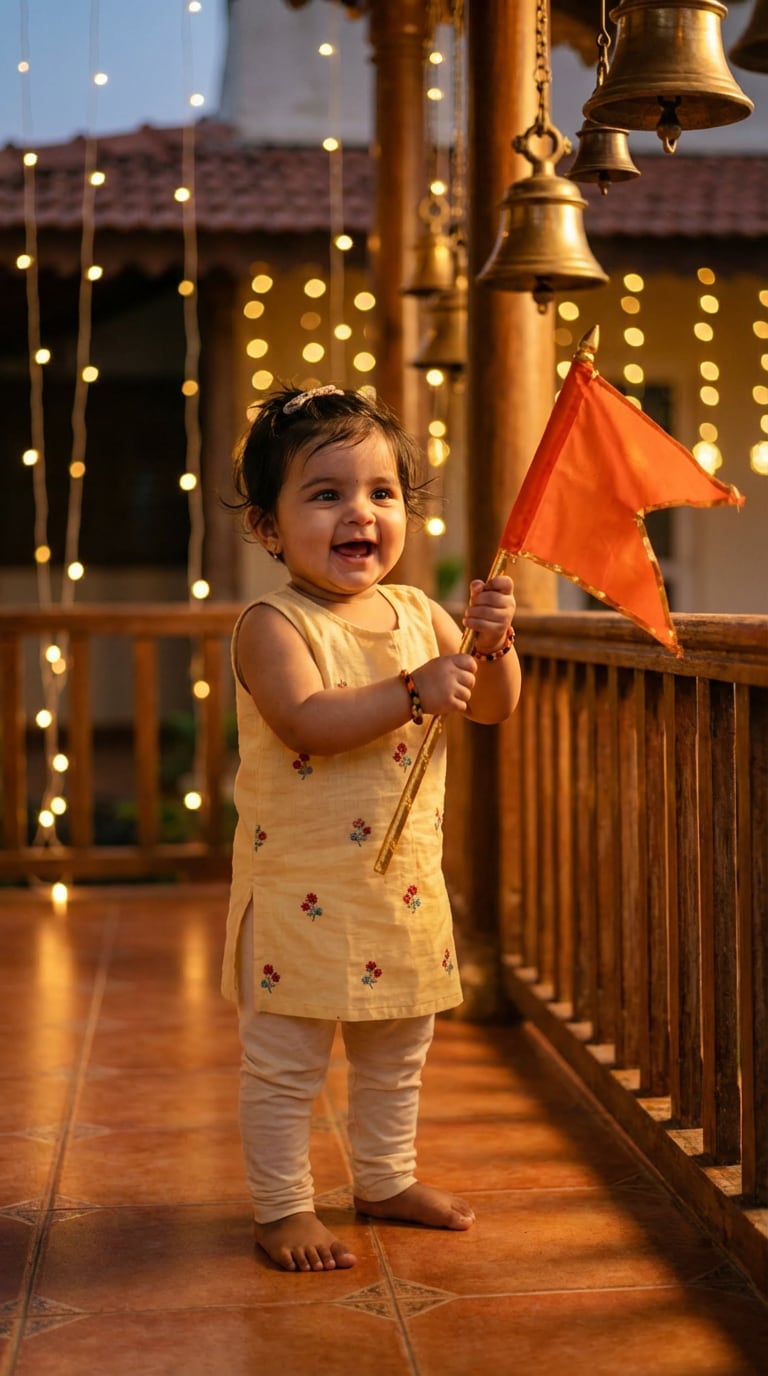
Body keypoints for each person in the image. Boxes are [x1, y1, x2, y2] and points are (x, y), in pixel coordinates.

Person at [221, 382, 521, 1273]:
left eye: (382, 493)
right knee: (287, 1063)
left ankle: (385, 1178)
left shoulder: (423, 616)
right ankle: (282, 1209)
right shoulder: (273, 625)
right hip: (298, 899)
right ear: (269, 529)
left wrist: (494, 646)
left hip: (401, 888)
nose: (361, 513)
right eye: (326, 494)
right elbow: (308, 721)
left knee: (398, 1050)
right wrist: (408, 691)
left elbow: (492, 710)